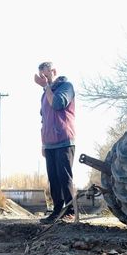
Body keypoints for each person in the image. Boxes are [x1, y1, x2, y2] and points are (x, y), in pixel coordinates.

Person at [33, 62, 76, 223]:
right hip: (49, 143)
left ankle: (70, 211)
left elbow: (58, 104)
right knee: (53, 178)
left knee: (64, 177)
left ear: (54, 71)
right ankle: (57, 211)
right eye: (41, 75)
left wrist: (46, 87)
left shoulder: (66, 86)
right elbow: (43, 119)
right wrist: (43, 144)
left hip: (64, 139)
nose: (44, 78)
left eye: (46, 74)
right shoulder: (45, 94)